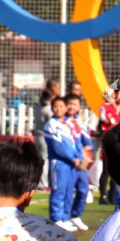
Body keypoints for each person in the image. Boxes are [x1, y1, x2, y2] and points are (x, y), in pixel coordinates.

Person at [44, 96, 82, 231]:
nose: (59, 109)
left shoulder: (69, 124)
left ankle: (65, 217)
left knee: (68, 191)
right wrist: (73, 158)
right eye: (56, 106)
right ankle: (56, 218)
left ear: (66, 108)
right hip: (59, 163)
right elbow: (58, 146)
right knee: (58, 190)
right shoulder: (51, 125)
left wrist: (78, 155)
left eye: (61, 106)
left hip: (71, 163)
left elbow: (75, 142)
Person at [64, 93, 94, 231]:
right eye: (69, 103)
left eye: (74, 104)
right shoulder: (62, 122)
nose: (71, 107)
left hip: (80, 162)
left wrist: (88, 146)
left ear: (79, 107)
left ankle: (76, 215)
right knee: (67, 190)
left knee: (83, 189)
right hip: (69, 161)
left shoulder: (80, 122)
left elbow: (87, 138)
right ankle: (64, 218)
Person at [97, 87, 120, 205]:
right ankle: (102, 195)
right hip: (108, 140)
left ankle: (112, 195)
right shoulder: (104, 107)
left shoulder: (115, 109)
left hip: (116, 140)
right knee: (106, 169)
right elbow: (104, 118)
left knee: (115, 169)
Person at [33, 89, 55, 191]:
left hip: (37, 135)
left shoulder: (38, 107)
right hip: (44, 136)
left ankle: (39, 182)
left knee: (39, 160)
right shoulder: (48, 109)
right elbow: (51, 124)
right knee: (44, 161)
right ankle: (43, 184)